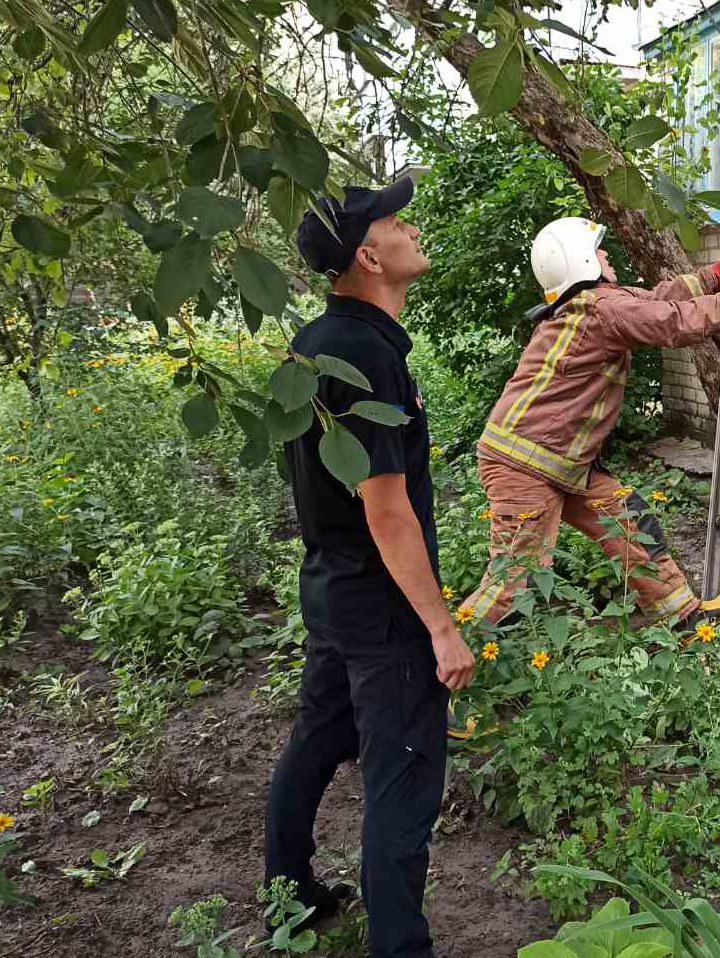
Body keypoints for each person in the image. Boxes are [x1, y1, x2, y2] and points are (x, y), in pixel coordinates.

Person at [264, 176, 473, 958]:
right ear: (368, 256)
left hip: (331, 589)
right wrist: (441, 629)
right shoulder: (364, 356)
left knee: (316, 745)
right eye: (393, 220)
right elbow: (387, 510)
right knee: (402, 780)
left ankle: (290, 900)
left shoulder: (317, 342)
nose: (407, 226)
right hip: (383, 609)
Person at [459, 218, 720, 638]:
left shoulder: (598, 303)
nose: (607, 255)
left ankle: (684, 619)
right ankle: (446, 663)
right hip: (527, 466)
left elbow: (658, 300)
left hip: (559, 463)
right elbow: (674, 321)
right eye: (599, 251)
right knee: (513, 578)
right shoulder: (602, 309)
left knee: (629, 520)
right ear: (583, 262)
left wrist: (716, 276)